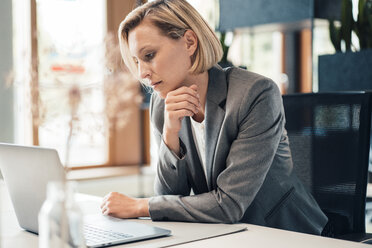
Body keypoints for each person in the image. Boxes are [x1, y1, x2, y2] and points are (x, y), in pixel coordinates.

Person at [100, 0, 328, 235]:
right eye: (136, 61)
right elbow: (167, 198)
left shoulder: (255, 94)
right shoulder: (162, 104)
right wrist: (170, 135)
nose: (142, 73)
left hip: (284, 234)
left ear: (189, 42)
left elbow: (228, 205)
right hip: (224, 235)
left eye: (149, 55)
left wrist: (140, 205)